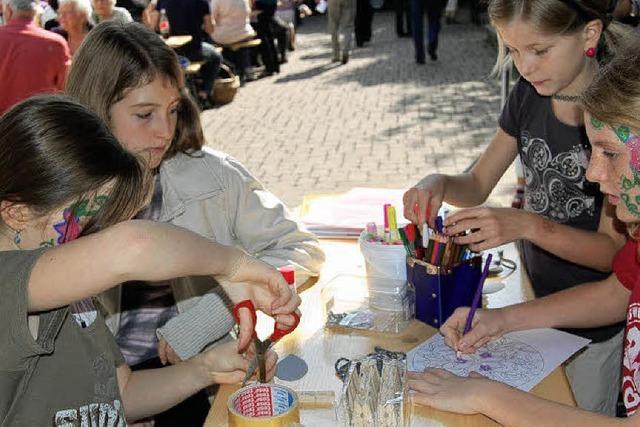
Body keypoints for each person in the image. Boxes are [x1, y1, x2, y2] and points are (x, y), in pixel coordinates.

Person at [66, 21, 324, 424]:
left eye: (172, 110)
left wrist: (210, 313)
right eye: (144, 114)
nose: (165, 131)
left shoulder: (212, 175)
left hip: (202, 376)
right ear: (97, 114)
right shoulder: (58, 209)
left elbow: (301, 247)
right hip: (106, 391)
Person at [0, 95, 298, 425]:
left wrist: (204, 368)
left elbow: (122, 393)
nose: (88, 233)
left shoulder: (72, 294)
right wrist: (234, 266)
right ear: (17, 212)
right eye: (80, 217)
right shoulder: (8, 281)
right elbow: (135, 244)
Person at [403, 0, 629, 415]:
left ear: (590, 35)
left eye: (539, 50)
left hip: (593, 329)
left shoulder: (619, 123)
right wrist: (438, 182)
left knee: (575, 405)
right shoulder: (529, 94)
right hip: (535, 300)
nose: (524, 66)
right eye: (512, 50)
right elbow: (476, 183)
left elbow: (613, 260)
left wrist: (529, 226)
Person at [143, 0, 222, 109]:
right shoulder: (201, 2)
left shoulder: (162, 1)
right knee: (216, 57)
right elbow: (210, 29)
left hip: (171, 52)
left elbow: (152, 27)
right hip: (194, 51)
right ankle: (204, 93)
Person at [0, 0, 69, 114]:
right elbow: (65, 87)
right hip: (38, 121)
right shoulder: (55, 43)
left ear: (8, 10)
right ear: (36, 12)